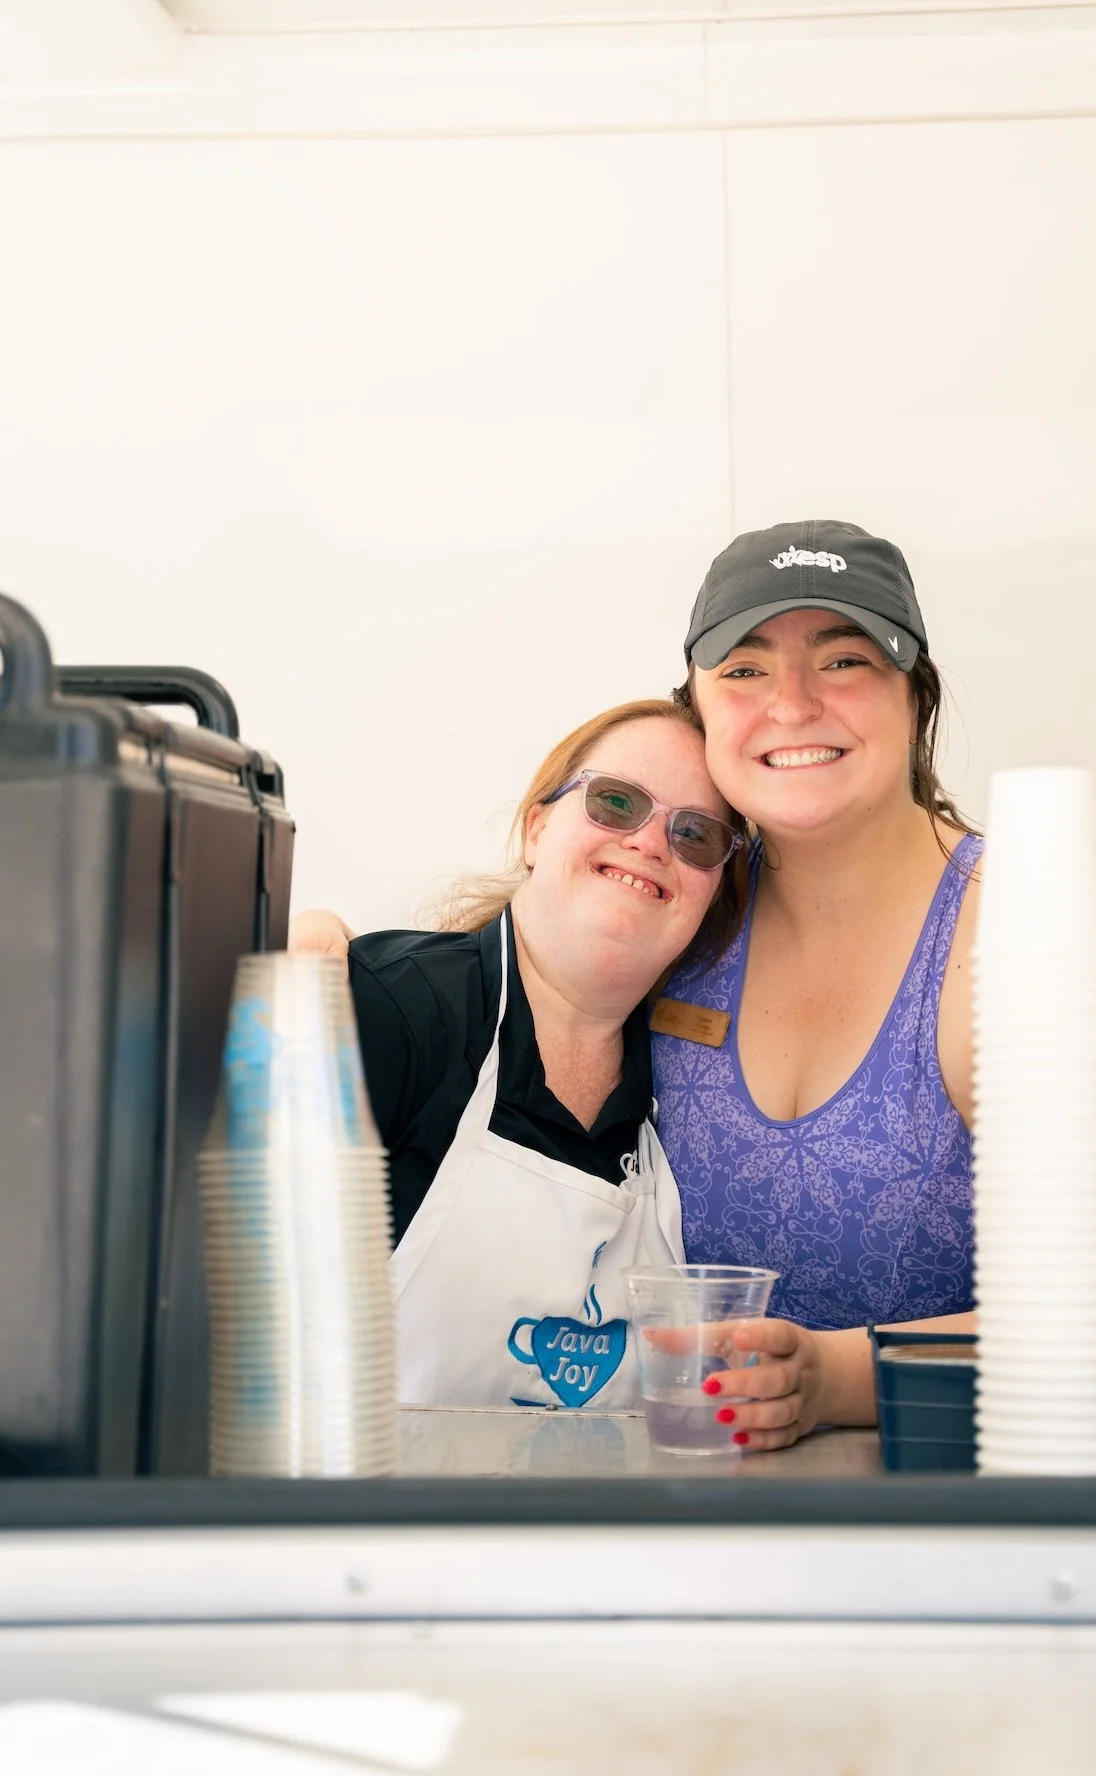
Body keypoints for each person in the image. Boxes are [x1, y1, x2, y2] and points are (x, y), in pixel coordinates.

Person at [294, 698, 745, 1411]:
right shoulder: (388, 1011)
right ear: (536, 829)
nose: (653, 843)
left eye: (696, 834)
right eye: (617, 801)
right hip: (368, 1519)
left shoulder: (694, 1085)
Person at [651, 519, 979, 1450]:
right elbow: (500, 976)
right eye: (745, 671)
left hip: (970, 1536)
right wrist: (323, 945)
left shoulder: (1013, 930)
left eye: (842, 660)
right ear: (700, 712)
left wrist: (838, 1375)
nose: (791, 706)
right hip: (692, 1522)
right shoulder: (678, 908)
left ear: (915, 697)